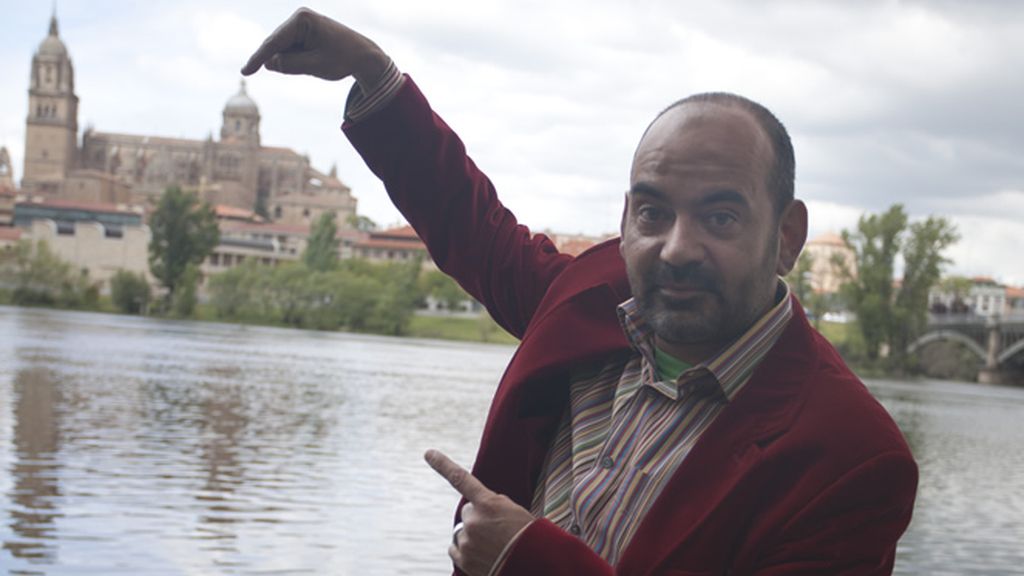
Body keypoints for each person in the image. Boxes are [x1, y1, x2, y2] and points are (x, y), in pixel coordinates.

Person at [243, 8, 917, 575]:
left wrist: (528, 559)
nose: (677, 248)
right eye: (653, 212)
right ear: (625, 221)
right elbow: (472, 228)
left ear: (787, 237)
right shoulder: (595, 295)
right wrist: (373, 72)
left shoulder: (852, 456)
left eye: (720, 217)